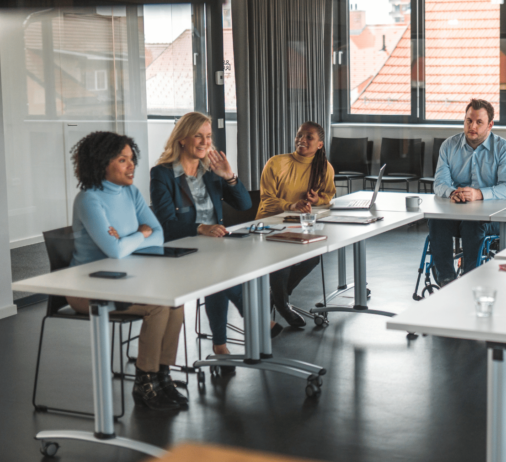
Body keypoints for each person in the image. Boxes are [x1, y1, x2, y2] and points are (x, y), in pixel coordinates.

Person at [67, 131, 188, 412]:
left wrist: (130, 236)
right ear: (101, 164)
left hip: (126, 280)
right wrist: (138, 234)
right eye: (122, 160)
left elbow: (158, 234)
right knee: (159, 306)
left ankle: (162, 375)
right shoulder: (88, 200)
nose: (131, 165)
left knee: (175, 302)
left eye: (131, 159)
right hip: (85, 289)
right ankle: (144, 382)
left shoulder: (131, 192)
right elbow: (116, 251)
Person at [150, 112, 254, 369]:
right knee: (220, 272)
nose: (205, 142)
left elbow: (245, 204)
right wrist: (200, 228)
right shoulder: (162, 175)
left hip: (215, 249)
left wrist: (229, 176)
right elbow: (165, 226)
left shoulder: (210, 171)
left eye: (208, 136)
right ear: (182, 139)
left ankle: (221, 345)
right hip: (180, 251)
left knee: (224, 270)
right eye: (198, 135)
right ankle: (257, 321)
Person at [429, 99, 506, 286]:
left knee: (472, 224)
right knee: (436, 219)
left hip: (489, 219)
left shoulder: (504, 149)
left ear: (490, 125)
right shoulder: (448, 146)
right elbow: (439, 183)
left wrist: (479, 194)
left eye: (479, 122)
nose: (472, 126)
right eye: (469, 120)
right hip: (456, 215)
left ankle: (470, 280)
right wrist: (453, 192)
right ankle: (446, 279)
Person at [256, 121, 336, 328]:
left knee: (313, 259)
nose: (302, 140)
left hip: (300, 226)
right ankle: (282, 304)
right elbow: (266, 200)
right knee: (282, 263)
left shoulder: (324, 167)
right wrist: (291, 205)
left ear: (319, 144)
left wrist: (318, 200)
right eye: (299, 135)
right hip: (270, 225)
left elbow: (329, 195)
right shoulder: (276, 163)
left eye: (309, 137)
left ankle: (277, 297)